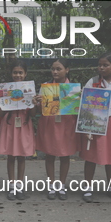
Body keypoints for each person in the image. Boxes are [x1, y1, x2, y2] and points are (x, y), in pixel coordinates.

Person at [80, 52, 111, 202]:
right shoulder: (92, 82)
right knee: (91, 156)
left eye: (105, 65)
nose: (101, 67)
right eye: (100, 65)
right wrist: (86, 128)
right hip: (96, 122)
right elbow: (85, 106)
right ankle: (87, 188)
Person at [33, 58, 80, 200]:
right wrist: (37, 102)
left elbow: (78, 110)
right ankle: (51, 185)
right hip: (50, 123)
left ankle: (62, 185)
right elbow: (40, 109)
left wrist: (80, 98)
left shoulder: (73, 88)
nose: (55, 71)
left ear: (67, 70)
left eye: (59, 69)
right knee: (50, 154)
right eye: (53, 69)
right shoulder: (46, 86)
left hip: (67, 124)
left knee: (65, 155)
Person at [0, 61, 35, 201]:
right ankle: (12, 186)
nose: (18, 75)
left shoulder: (30, 90)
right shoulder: (5, 90)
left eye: (20, 72)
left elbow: (34, 113)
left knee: (22, 156)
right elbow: (0, 113)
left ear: (25, 74)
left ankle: (20, 185)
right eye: (15, 72)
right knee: (11, 156)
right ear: (11, 74)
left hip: (24, 123)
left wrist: (35, 103)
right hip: (9, 123)